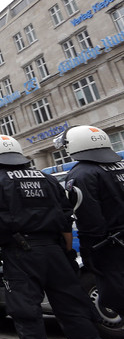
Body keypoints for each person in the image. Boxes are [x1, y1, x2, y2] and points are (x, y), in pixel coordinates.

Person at [0, 135, 108, 339]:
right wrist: (66, 253)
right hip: (54, 252)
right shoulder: (47, 179)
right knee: (73, 310)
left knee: (27, 314)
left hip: (20, 255)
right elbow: (65, 222)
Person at [54, 125, 124, 318]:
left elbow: (90, 219)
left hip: (111, 249)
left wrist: (88, 251)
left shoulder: (81, 175)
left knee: (116, 298)